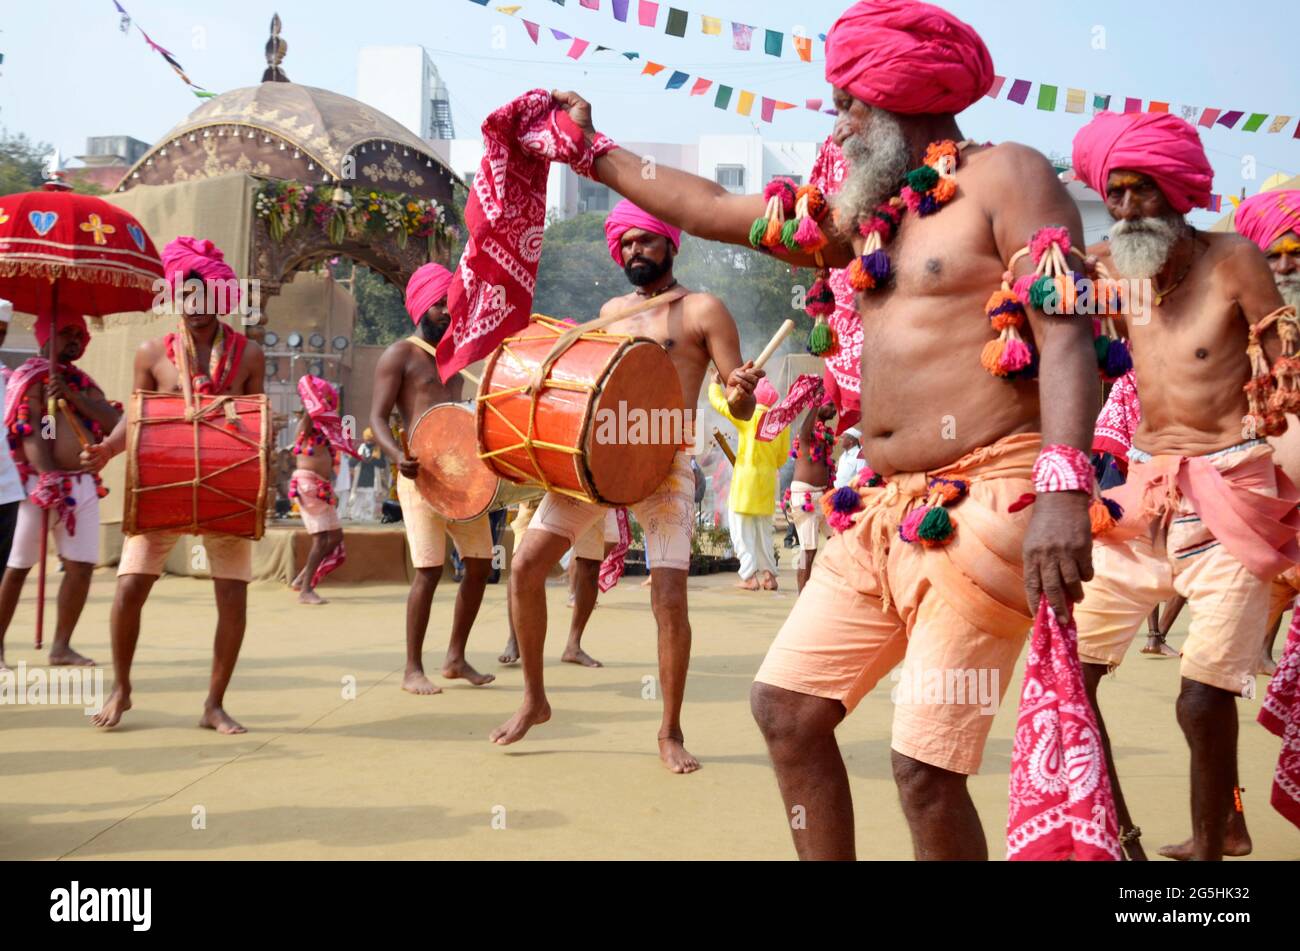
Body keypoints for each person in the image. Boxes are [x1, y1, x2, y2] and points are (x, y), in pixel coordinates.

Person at [541, 0, 1098, 854]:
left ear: (898, 99)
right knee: (788, 710)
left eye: (848, 105)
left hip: (991, 498)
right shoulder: (861, 222)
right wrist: (592, 149)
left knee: (923, 771)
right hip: (880, 509)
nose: (835, 128)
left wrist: (1065, 485)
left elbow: (1068, 329)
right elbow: (712, 208)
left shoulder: (1010, 176)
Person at [1070, 110, 1297, 861]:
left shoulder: (1233, 259)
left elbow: (1285, 366)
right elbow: (1036, 287)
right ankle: (1126, 837)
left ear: (1177, 190)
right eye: (1117, 192)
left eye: (1142, 190)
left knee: (1203, 698)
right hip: (1144, 496)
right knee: (1072, 677)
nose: (1129, 206)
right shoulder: (1112, 271)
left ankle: (1211, 847)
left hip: (1232, 487)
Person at [491, 199, 761, 774]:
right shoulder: (611, 310)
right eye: (628, 243)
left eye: (646, 240)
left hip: (666, 467)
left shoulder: (703, 310)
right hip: (598, 464)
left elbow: (740, 405)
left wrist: (740, 389)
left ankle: (670, 731)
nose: (636, 250)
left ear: (669, 244)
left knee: (668, 601)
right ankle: (535, 699)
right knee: (523, 568)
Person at [81, 236, 266, 733]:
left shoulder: (248, 355)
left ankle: (214, 704)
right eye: (187, 298)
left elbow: (257, 425)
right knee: (130, 587)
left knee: (232, 597)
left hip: (224, 489)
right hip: (160, 484)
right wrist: (107, 450)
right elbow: (136, 416)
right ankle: (122, 688)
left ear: (222, 300)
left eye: (205, 300)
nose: (196, 309)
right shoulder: (150, 353)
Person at [369, 262, 495, 695]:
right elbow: (376, 417)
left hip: (464, 478)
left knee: (479, 565)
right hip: (420, 477)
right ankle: (411, 669)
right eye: (440, 303)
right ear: (422, 305)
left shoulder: (458, 355)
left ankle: (456, 658)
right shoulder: (399, 356)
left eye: (453, 303)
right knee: (428, 571)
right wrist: (396, 455)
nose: (448, 311)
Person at [0, 312, 119, 669]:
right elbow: (35, 431)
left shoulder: (80, 382)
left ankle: (61, 646)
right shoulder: (29, 378)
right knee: (17, 566)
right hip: (40, 487)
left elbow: (112, 421)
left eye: (79, 335)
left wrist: (69, 394)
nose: (74, 340)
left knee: (81, 566)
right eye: (65, 332)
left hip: (82, 485)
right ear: (44, 335)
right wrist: (48, 475)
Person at [1235, 189, 1300, 674]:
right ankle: (1254, 652)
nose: (1283, 269)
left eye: (1294, 256)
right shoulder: (1239, 326)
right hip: (1257, 476)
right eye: (1271, 258)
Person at [498, 500, 617, 669]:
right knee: (521, 565)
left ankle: (573, 646)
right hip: (539, 487)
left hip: (587, 489)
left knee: (590, 565)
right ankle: (514, 639)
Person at [711, 373, 788, 590]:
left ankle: (748, 577)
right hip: (766, 484)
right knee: (764, 532)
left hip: (746, 483)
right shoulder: (781, 421)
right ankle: (769, 576)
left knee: (741, 530)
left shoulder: (749, 415)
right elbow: (782, 458)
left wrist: (713, 385)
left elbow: (721, 405)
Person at [288, 375, 355, 605]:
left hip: (320, 486)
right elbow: (311, 412)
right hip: (308, 484)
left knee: (335, 536)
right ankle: (306, 589)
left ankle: (303, 579)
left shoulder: (323, 432)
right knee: (322, 539)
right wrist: (315, 400)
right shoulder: (305, 427)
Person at [789, 397, 838, 591]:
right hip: (805, 497)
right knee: (808, 551)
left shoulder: (825, 435)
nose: (834, 410)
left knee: (839, 539)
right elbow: (804, 431)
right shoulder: (807, 435)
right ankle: (802, 598)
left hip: (822, 497)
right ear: (818, 407)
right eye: (830, 404)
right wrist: (816, 402)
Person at [0, 302, 25, 644]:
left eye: (2, 333)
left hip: (8, 490)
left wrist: (50, 415)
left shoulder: (11, 380)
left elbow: (36, 430)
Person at [347, 429, 386, 522]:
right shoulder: (360, 449)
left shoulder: (379, 450)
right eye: (368, 440)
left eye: (371, 440)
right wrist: (360, 458)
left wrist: (371, 460)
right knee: (358, 502)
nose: (369, 442)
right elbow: (351, 463)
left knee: (370, 502)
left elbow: (382, 464)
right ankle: (356, 518)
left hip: (372, 481)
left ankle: (369, 520)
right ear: (365, 439)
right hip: (360, 481)